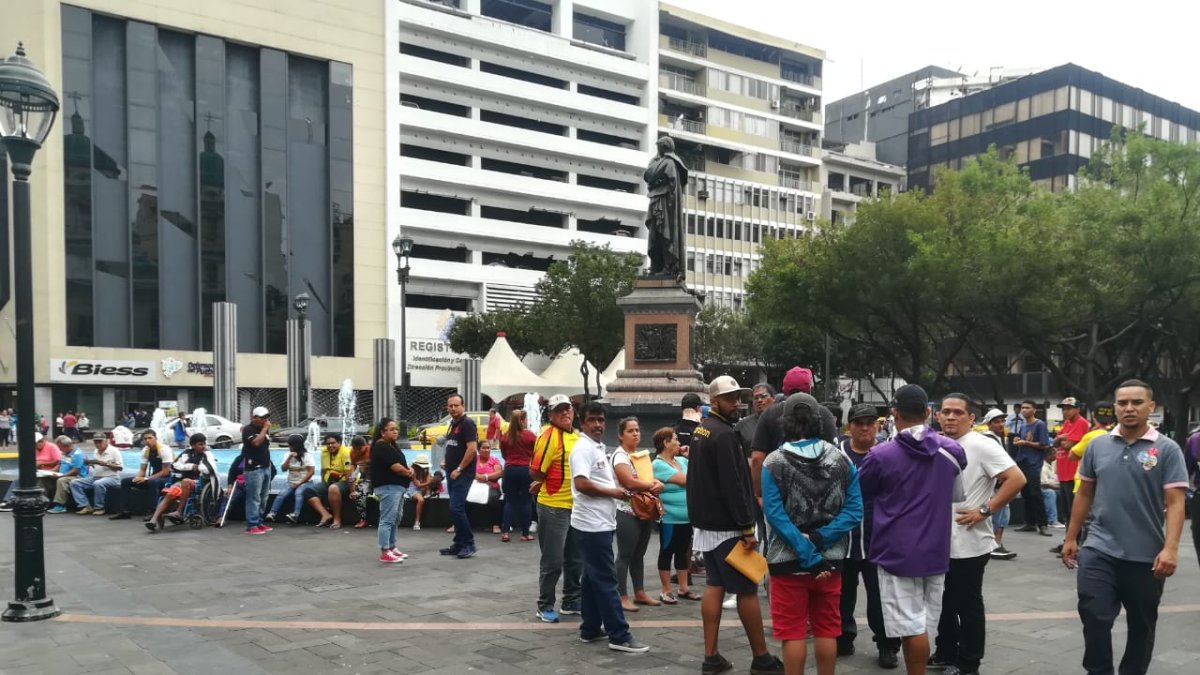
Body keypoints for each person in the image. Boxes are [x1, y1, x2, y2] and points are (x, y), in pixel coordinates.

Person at [1062, 380, 1188, 675]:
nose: (1129, 408)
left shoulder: (1167, 449)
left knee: (1141, 626)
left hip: (1146, 556)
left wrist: (1170, 548)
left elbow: (1176, 502)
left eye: (1137, 402)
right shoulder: (1097, 446)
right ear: (1115, 407)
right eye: (1122, 403)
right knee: (1094, 615)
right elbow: (1085, 493)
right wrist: (1071, 536)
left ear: (1151, 407)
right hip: (1099, 548)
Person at [858, 384, 966, 675]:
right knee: (925, 624)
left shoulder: (880, 456)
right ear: (929, 412)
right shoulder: (953, 451)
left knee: (911, 627)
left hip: (895, 551)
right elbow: (956, 496)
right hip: (936, 549)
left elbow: (861, 493)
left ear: (894, 414)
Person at [762, 393, 863, 675]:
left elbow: (775, 516)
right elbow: (854, 512)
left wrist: (806, 550)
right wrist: (820, 541)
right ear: (819, 422)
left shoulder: (774, 462)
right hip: (831, 561)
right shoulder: (842, 460)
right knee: (827, 630)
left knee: (792, 633)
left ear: (786, 423)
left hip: (786, 561)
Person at [689, 375, 784, 675]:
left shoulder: (701, 430)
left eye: (737, 397)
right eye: (730, 398)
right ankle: (761, 658)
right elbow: (734, 485)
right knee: (746, 590)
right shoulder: (725, 435)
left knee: (715, 586)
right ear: (713, 401)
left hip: (707, 526)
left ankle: (711, 656)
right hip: (729, 527)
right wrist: (746, 527)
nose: (737, 403)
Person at [930, 394, 1026, 675]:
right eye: (945, 411)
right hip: (938, 541)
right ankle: (946, 651)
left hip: (970, 543)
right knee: (943, 602)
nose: (950, 417)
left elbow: (1017, 479)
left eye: (958, 412)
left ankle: (969, 662)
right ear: (937, 415)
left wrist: (985, 510)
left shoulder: (982, 445)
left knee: (967, 604)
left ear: (971, 418)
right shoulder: (935, 444)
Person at [570, 401, 650, 653]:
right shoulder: (582, 449)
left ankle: (590, 628)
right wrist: (613, 492)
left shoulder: (595, 447)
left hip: (598, 522)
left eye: (600, 420)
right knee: (606, 579)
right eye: (592, 420)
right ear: (582, 423)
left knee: (593, 578)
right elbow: (581, 484)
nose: (597, 425)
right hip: (591, 524)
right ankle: (619, 635)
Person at [837, 403, 902, 668]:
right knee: (841, 594)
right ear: (849, 426)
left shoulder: (888, 453)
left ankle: (887, 644)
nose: (864, 427)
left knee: (881, 596)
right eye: (858, 422)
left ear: (877, 425)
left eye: (869, 422)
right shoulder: (837, 454)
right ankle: (843, 637)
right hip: (843, 539)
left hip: (878, 539)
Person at [531, 394, 584, 623]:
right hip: (553, 506)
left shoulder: (577, 436)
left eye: (568, 409)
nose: (565, 413)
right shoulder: (548, 436)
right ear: (550, 415)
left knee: (575, 558)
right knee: (552, 560)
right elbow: (536, 471)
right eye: (559, 410)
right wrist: (544, 481)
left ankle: (571, 600)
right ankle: (545, 605)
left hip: (576, 506)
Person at [610, 417, 665, 612]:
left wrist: (656, 482)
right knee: (625, 555)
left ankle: (639, 592)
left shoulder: (639, 456)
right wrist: (653, 485)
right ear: (620, 435)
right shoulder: (620, 456)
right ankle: (622, 595)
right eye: (630, 431)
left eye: (637, 430)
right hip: (627, 511)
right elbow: (629, 482)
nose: (635, 433)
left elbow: (646, 478)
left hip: (644, 509)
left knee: (639, 554)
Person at [652, 426, 699, 604]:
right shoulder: (658, 464)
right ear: (665, 442)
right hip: (669, 517)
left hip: (687, 517)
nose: (679, 443)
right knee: (667, 551)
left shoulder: (682, 461)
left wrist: (690, 455)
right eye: (675, 439)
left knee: (682, 552)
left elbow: (697, 471)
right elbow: (688, 480)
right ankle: (666, 590)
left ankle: (683, 587)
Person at [145, 433, 216, 532]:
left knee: (185, 481)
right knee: (170, 494)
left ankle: (179, 511)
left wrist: (197, 467)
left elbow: (208, 469)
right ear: (193, 445)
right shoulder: (186, 454)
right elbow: (175, 465)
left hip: (198, 483)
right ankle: (153, 520)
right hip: (182, 481)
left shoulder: (207, 454)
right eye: (200, 444)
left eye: (204, 444)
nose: (203, 446)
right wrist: (191, 466)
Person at [440, 393, 479, 559]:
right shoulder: (453, 423)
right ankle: (459, 543)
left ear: (463, 406)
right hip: (451, 471)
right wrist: (446, 460)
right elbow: (453, 445)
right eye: (450, 406)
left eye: (456, 405)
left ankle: (468, 544)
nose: (453, 408)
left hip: (462, 473)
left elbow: (471, 449)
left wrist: (459, 468)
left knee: (456, 508)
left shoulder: (467, 424)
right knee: (455, 508)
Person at [371, 418, 413, 563]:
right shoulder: (381, 446)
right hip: (389, 487)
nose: (396, 431)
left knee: (395, 518)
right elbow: (395, 467)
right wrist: (409, 473)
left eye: (396, 429)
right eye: (392, 429)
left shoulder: (390, 445)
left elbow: (401, 464)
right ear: (383, 432)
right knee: (387, 519)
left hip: (397, 487)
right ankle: (385, 550)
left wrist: (409, 469)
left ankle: (392, 546)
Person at [978, 409, 1017, 560]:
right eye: (996, 421)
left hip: (998, 482)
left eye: (1002, 421)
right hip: (995, 483)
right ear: (989, 424)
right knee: (999, 512)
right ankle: (994, 544)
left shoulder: (996, 438)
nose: (1001, 424)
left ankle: (995, 543)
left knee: (1001, 512)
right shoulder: (989, 439)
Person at [108, 430, 173, 520]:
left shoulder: (164, 449)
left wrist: (146, 478)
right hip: (153, 478)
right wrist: (138, 478)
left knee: (152, 482)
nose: (147, 440)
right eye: (145, 439)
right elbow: (142, 469)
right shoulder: (145, 450)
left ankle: (153, 512)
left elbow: (165, 471)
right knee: (126, 481)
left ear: (156, 438)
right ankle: (124, 511)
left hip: (166, 479)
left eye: (150, 438)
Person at [1011, 400, 1052, 536]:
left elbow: (1045, 445)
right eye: (1022, 408)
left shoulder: (1039, 424)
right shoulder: (1022, 426)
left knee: (1035, 493)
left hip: (1033, 462)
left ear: (1034, 410)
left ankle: (1043, 524)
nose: (1024, 410)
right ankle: (1030, 523)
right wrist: (1018, 442)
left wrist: (1026, 442)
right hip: (1022, 460)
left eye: (1027, 408)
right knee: (1026, 493)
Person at [499, 409, 536, 542]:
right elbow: (536, 453)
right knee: (526, 501)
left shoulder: (505, 436)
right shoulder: (530, 436)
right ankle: (525, 534)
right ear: (522, 421)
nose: (527, 422)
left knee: (510, 501)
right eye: (526, 419)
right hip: (526, 470)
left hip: (510, 470)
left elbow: (503, 454)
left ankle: (505, 532)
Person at [266, 434, 318, 524]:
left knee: (299, 493)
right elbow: (283, 469)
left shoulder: (307, 456)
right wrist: (289, 457)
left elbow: (311, 472)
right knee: (282, 494)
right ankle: (272, 513)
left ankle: (295, 515)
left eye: (291, 445)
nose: (290, 447)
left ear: (297, 446)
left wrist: (299, 483)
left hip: (306, 482)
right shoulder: (287, 455)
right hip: (291, 481)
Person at [70, 432, 125, 516]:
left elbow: (120, 468)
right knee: (74, 483)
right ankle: (84, 505)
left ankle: (99, 507)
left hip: (112, 477)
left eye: (100, 442)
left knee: (98, 483)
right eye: (96, 442)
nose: (98, 444)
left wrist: (106, 464)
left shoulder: (114, 451)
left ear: (106, 441)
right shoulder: (96, 451)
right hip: (96, 476)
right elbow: (97, 465)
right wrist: (90, 463)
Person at [1053, 397, 1090, 523]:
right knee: (1066, 510)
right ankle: (1068, 539)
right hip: (1063, 471)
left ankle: (1075, 539)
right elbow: (1056, 443)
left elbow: (1068, 445)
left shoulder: (1081, 422)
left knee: (1073, 509)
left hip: (1073, 472)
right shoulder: (1067, 423)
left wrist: (1061, 438)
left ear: (1078, 409)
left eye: (1069, 408)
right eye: (1064, 409)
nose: (1065, 412)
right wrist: (1062, 438)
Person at [241, 406, 274, 535]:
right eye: (262, 418)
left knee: (263, 497)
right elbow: (255, 443)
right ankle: (252, 524)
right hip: (254, 469)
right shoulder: (248, 429)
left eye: (267, 417)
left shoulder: (263, 430)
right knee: (254, 497)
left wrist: (269, 464)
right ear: (254, 418)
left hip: (265, 467)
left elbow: (265, 448)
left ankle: (259, 521)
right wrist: (265, 429)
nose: (265, 420)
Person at [312, 433, 353, 529]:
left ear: (339, 443)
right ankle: (325, 514)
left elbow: (349, 474)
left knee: (333, 488)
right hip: (329, 482)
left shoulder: (346, 453)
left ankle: (337, 519)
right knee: (309, 491)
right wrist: (322, 482)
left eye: (333, 443)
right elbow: (323, 470)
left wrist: (352, 490)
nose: (330, 446)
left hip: (345, 482)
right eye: (328, 444)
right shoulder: (324, 453)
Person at [46, 435, 89, 513]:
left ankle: (60, 505)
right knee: (46, 478)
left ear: (67, 446)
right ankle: (45, 502)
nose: (59, 449)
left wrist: (62, 475)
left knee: (61, 480)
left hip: (77, 477)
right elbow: (60, 464)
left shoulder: (77, 454)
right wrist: (51, 472)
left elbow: (75, 470)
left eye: (60, 447)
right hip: (64, 474)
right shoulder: (64, 453)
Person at [734, 384, 775, 456]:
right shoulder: (742, 425)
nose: (759, 400)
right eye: (756, 398)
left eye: (763, 396)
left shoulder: (784, 422)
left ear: (773, 398)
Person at [473, 440, 504, 535]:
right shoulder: (474, 460)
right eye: (484, 448)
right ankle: (458, 524)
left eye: (488, 448)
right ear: (478, 450)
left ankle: (496, 525)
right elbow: (469, 472)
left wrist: (484, 477)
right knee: (462, 496)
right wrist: (479, 477)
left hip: (492, 487)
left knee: (493, 497)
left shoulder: (494, 460)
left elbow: (499, 473)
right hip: (475, 487)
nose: (486, 450)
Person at [348, 435, 373, 529]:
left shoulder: (372, 450)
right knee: (359, 492)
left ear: (365, 445)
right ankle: (363, 519)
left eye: (360, 449)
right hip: (363, 475)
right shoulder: (352, 452)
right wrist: (352, 487)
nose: (357, 451)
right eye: (355, 449)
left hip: (376, 475)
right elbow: (353, 468)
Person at [406, 454, 433, 530]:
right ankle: (417, 522)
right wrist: (429, 482)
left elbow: (426, 481)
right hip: (413, 489)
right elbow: (418, 485)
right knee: (421, 500)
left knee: (430, 486)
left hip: (423, 488)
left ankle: (428, 493)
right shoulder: (412, 471)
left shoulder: (426, 471)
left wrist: (430, 482)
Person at [1041, 455, 1061, 527]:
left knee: (1064, 492)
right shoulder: (1043, 467)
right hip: (1043, 488)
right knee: (1050, 493)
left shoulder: (1053, 464)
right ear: (1048, 456)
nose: (1056, 455)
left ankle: (1064, 518)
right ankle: (1052, 520)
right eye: (1054, 453)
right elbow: (1044, 484)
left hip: (1054, 485)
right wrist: (1057, 487)